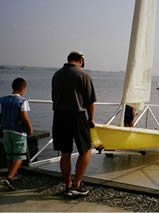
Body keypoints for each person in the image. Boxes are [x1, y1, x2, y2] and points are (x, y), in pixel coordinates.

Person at [52, 51, 96, 197]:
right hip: (77, 116)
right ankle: (77, 184)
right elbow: (90, 102)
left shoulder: (57, 75)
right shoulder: (83, 75)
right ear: (81, 60)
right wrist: (91, 119)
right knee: (85, 149)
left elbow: (54, 98)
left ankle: (68, 185)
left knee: (65, 152)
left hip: (59, 116)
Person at [0, 78, 33, 190]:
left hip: (6, 130)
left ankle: (10, 173)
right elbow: (25, 117)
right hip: (18, 131)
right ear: (23, 88)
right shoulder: (22, 100)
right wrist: (30, 129)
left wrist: (4, 121)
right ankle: (10, 178)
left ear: (13, 87)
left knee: (10, 154)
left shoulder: (3, 100)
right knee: (20, 156)